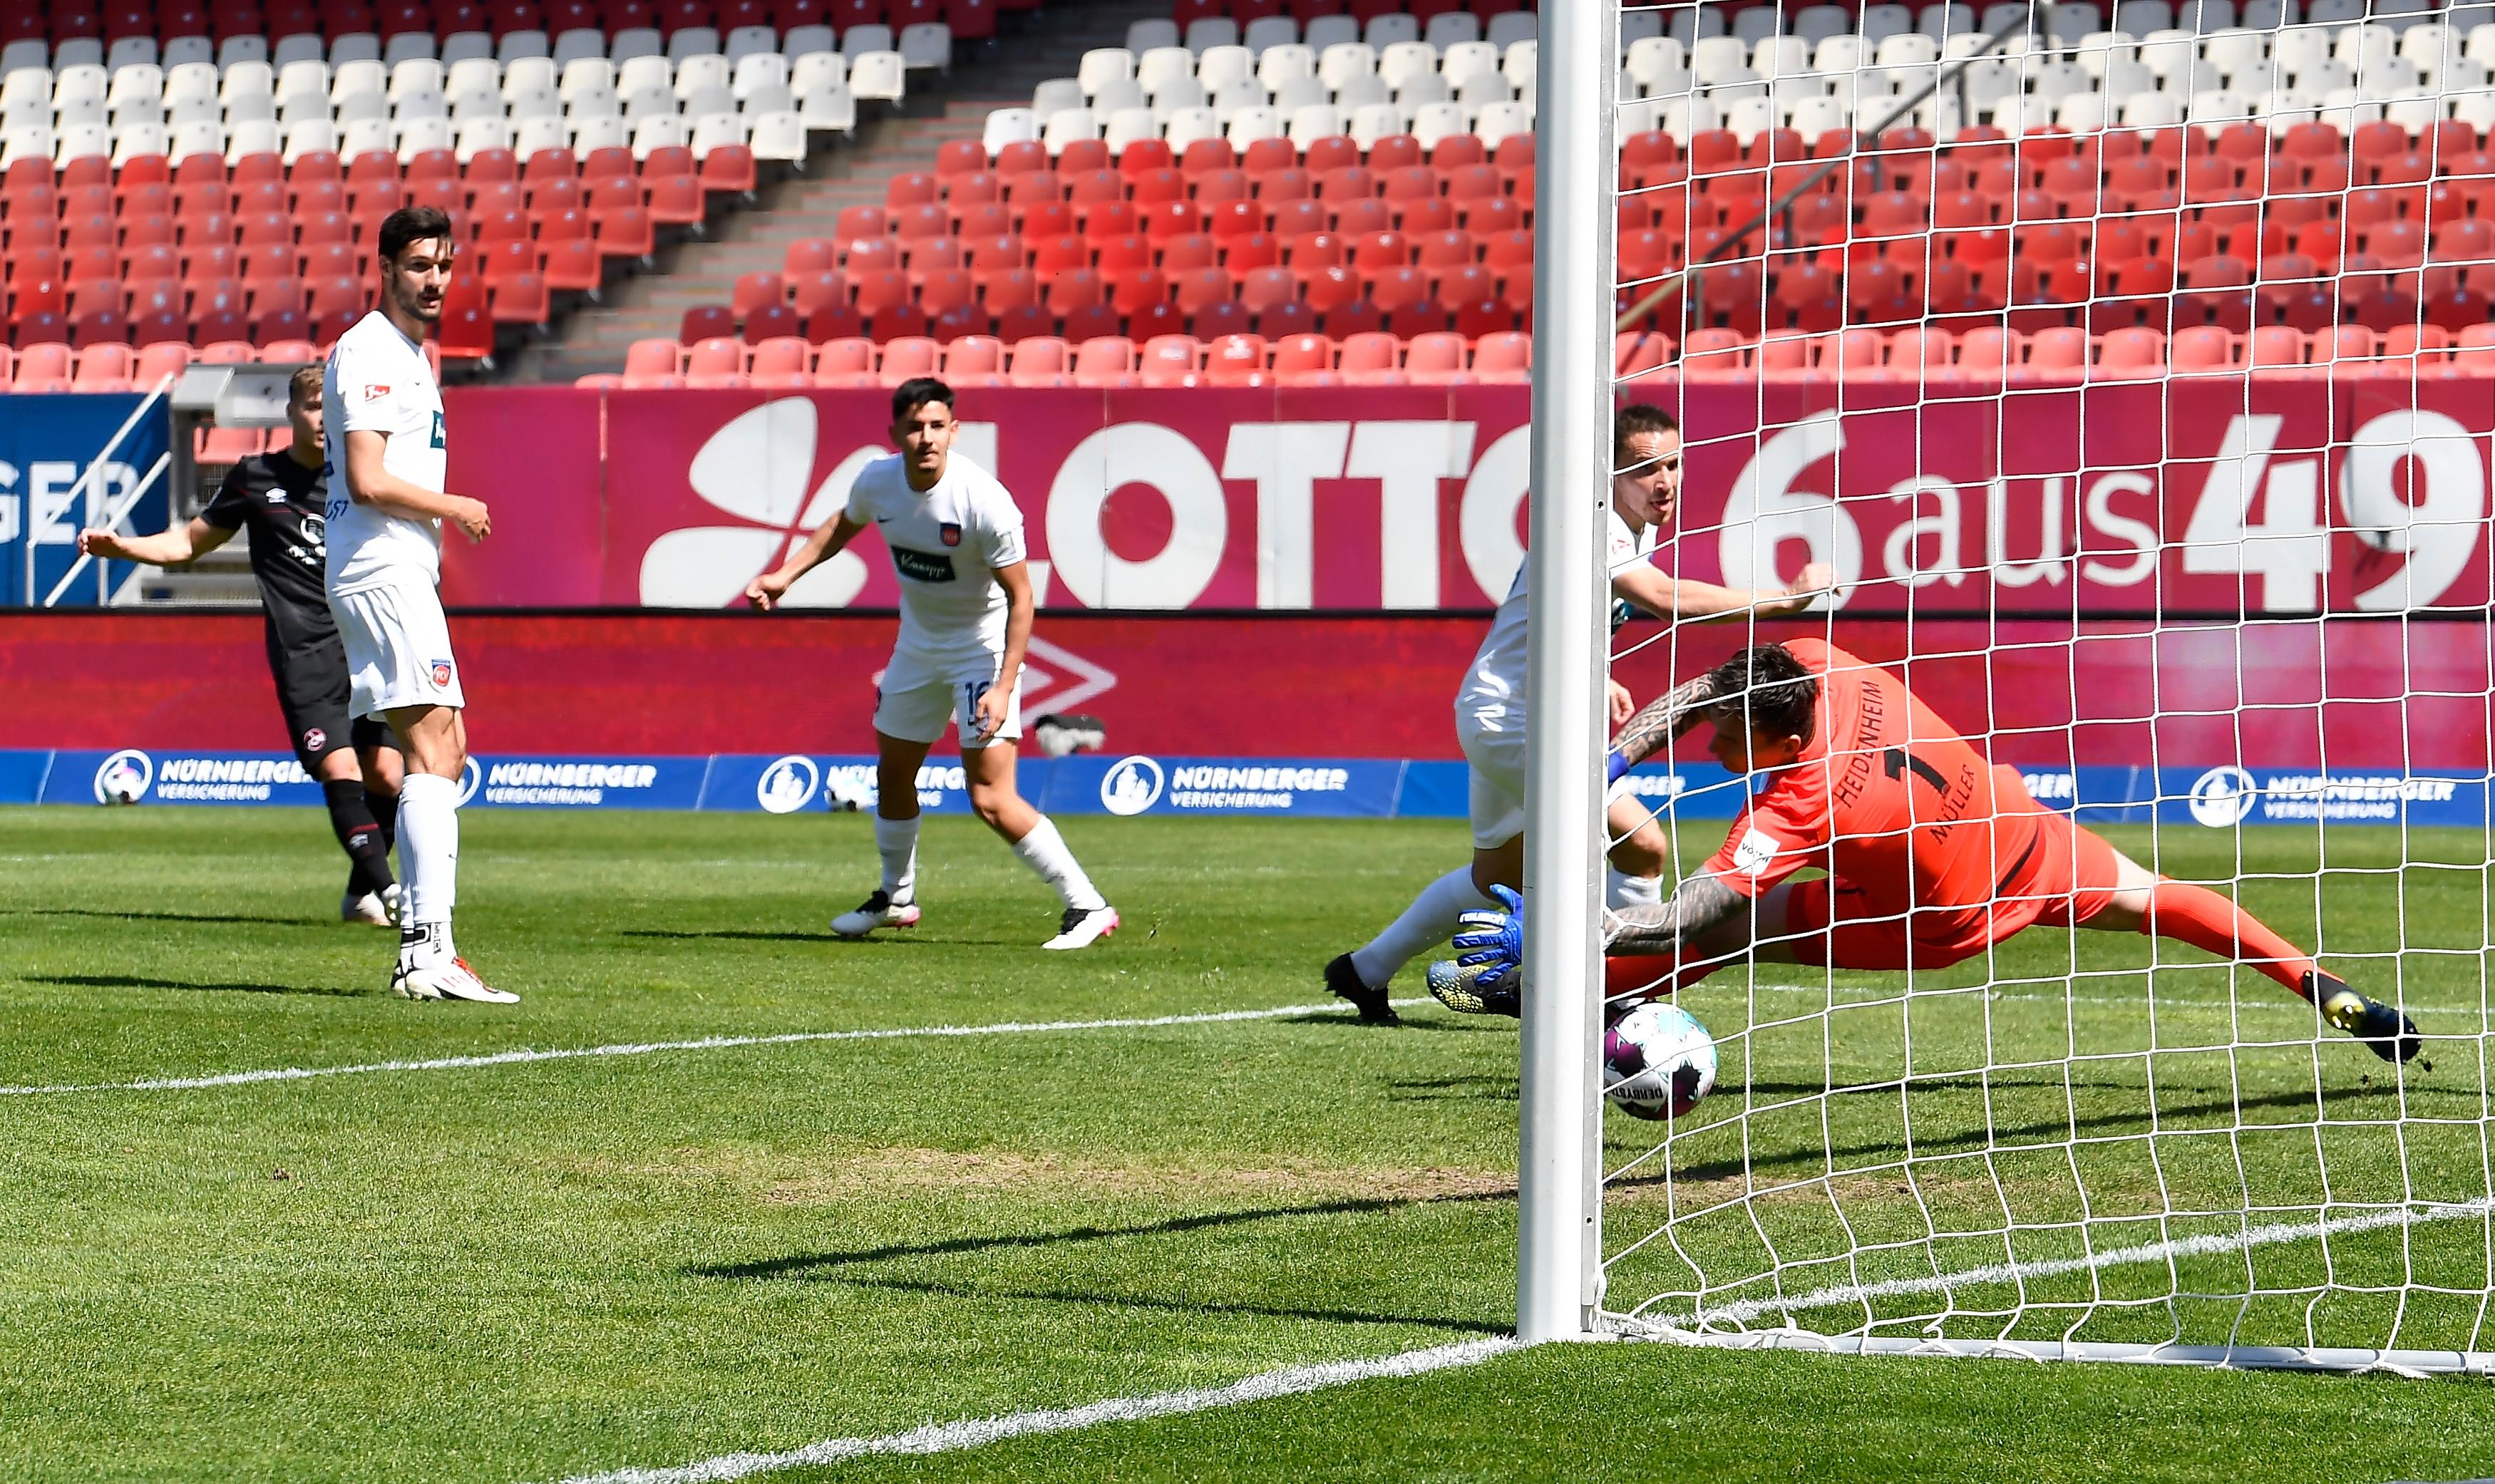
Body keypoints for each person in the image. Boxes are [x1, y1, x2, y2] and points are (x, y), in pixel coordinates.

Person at [1433, 639, 2427, 1069]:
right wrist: (1610, 757)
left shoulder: (1796, 802)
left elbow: (1701, 901)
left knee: (1723, 937)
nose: (1709, 748)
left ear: (1779, 744)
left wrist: (1588, 923)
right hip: (2022, 832)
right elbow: (1703, 689)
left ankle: (1550, 982)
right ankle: (2324, 984)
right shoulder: (1813, 668)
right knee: (2164, 898)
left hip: (1930, 921)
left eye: (1730, 745)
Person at [1322, 404, 1829, 1024]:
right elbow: (1664, 597)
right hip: (1512, 719)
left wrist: (1598, 674)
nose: (1665, 480)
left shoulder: (1633, 526)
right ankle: (1616, 994)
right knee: (1642, 847)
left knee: (1495, 877)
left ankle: (1364, 970)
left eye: (1673, 464)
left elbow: (1550, 616)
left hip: (1514, 710)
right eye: (1645, 468)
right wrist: (1783, 599)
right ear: (1607, 474)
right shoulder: (1597, 523)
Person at [745, 378, 1119, 951]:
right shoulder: (877, 480)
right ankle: (896, 898)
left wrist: (1003, 684)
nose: (926, 438)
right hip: (917, 648)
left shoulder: (984, 501)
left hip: (981, 650)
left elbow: (1022, 598)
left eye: (937, 427)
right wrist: (783, 575)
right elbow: (841, 525)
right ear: (895, 433)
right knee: (893, 775)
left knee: (991, 798)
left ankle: (1088, 905)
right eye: (915, 427)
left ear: (954, 431)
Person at [78, 367, 405, 924]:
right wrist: (124, 548)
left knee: (389, 777)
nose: (322, 419)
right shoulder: (256, 478)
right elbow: (188, 542)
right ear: (291, 414)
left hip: (364, 645)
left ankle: (360, 893)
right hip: (304, 653)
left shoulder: (362, 480)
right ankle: (397, 896)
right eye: (311, 407)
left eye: (332, 408)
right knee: (341, 769)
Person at [323, 205, 513, 1004]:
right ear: (387, 268)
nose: (435, 281)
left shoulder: (407, 354)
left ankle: (426, 947)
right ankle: (425, 950)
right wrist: (452, 505)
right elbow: (367, 478)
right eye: (419, 266)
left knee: (446, 749)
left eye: (444, 265)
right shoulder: (371, 350)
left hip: (395, 570)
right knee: (436, 753)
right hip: (383, 568)